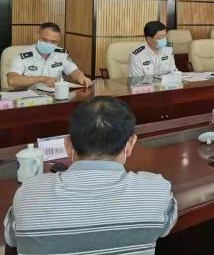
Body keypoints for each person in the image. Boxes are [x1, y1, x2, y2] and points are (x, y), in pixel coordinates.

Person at [4, 96, 177, 254]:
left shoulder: (28, 194)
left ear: (68, 145)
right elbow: (165, 228)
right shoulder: (157, 191)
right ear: (130, 144)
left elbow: (11, 238)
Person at [6, 22, 92, 88]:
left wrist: (81, 77)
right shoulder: (22, 55)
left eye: (53, 42)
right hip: (29, 99)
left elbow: (74, 71)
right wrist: (42, 79)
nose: (48, 44)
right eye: (45, 40)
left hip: (55, 98)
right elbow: (12, 80)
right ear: (37, 36)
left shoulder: (61, 54)